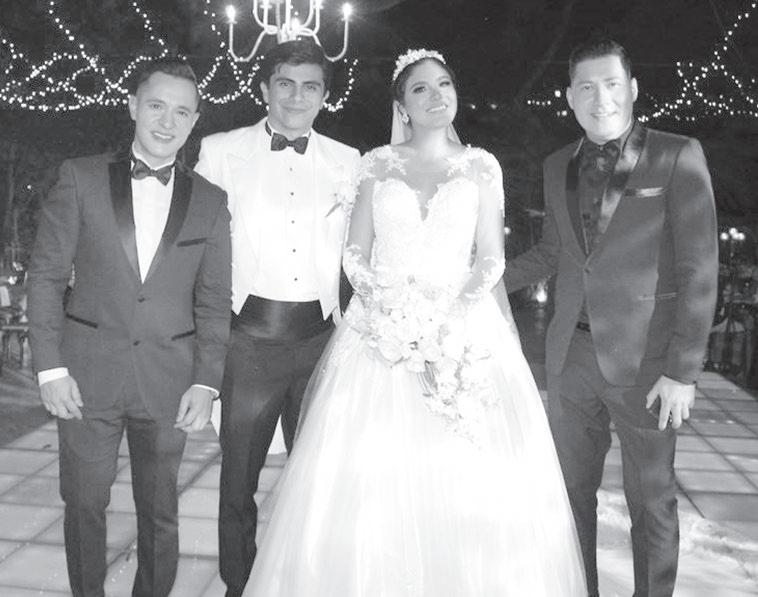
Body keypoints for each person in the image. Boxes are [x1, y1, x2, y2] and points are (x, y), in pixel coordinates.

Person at [242, 49, 587, 596]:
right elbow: (355, 254)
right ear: (401, 106)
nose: (436, 96)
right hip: (380, 334)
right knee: (373, 481)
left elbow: (491, 259)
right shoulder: (376, 164)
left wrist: (449, 318)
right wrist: (388, 310)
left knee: (462, 478)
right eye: (420, 89)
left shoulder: (482, 166)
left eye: (444, 84)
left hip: (463, 331)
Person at [504, 38, 718, 597]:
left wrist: (683, 371)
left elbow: (699, 268)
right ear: (570, 96)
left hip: (648, 364)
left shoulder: (677, 154)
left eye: (611, 84)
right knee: (570, 497)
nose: (600, 98)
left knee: (652, 502)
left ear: (633, 88)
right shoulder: (556, 165)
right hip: (569, 360)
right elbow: (552, 252)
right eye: (587, 87)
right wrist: (477, 281)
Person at [26, 58, 232, 597]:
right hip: (84, 377)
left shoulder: (211, 201)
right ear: (133, 106)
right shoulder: (80, 177)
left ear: (194, 122)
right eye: (157, 105)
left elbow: (214, 301)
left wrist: (206, 381)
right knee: (84, 504)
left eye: (181, 112)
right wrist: (49, 368)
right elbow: (45, 277)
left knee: (160, 511)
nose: (167, 121)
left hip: (169, 381)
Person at [194, 40, 361, 597]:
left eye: (310, 86)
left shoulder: (349, 161)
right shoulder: (221, 151)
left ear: (324, 95)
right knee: (237, 481)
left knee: (316, 480)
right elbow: (198, 247)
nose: (296, 96)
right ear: (265, 88)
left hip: (320, 342)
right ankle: (238, 583)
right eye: (285, 83)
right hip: (247, 342)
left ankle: (306, 582)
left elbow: (361, 252)